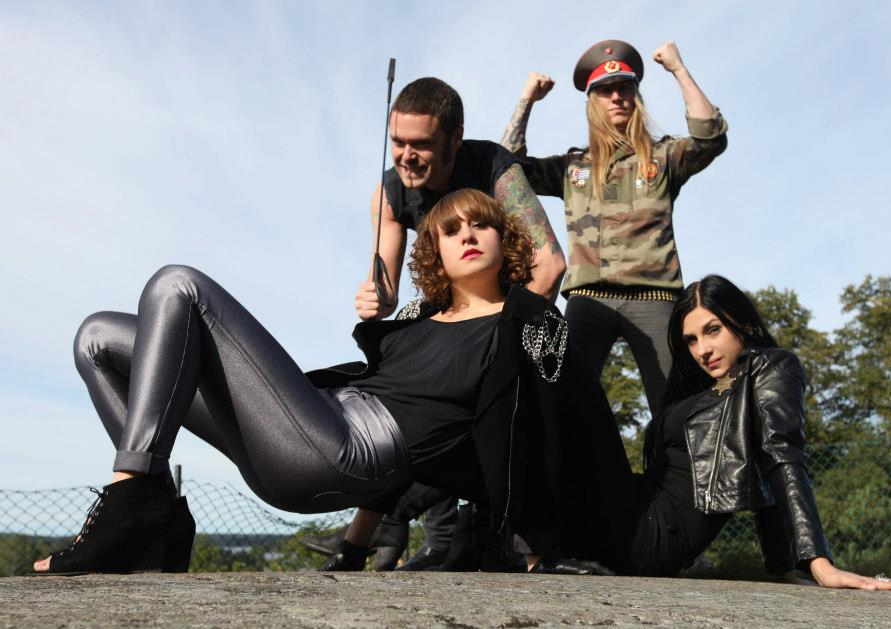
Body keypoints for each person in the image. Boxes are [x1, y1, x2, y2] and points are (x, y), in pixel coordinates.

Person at [33, 190, 587, 576]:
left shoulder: (524, 323)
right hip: (309, 427)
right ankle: (155, 521)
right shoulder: (416, 321)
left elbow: (538, 435)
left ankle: (131, 499)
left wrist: (536, 548)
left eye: (480, 225)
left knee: (178, 285)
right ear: (435, 252)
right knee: (97, 339)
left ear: (505, 240)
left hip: (348, 450)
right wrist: (353, 549)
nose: (466, 235)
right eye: (450, 229)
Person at [334, 76, 567, 571]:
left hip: (509, 315)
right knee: (393, 382)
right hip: (450, 310)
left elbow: (549, 267)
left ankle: (531, 551)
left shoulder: (494, 167)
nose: (406, 156)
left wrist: (504, 342)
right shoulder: (390, 192)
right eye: (397, 141)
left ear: (454, 139)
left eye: (420, 144)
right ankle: (356, 545)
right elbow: (387, 289)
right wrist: (375, 298)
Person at [572, 274, 891, 590]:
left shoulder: (768, 368)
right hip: (633, 506)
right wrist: (782, 566)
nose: (702, 350)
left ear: (744, 322)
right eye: (691, 340)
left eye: (713, 330)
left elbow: (780, 458)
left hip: (652, 536)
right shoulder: (696, 388)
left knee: (564, 369)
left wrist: (817, 564)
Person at [501, 40, 726, 420]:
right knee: (562, 402)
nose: (617, 97)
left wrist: (678, 69)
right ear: (593, 102)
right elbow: (508, 171)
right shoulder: (572, 167)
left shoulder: (663, 157)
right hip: (589, 299)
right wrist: (527, 100)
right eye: (606, 91)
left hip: (656, 296)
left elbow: (710, 137)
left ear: (636, 97)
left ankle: (674, 462)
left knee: (678, 410)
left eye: (624, 88)